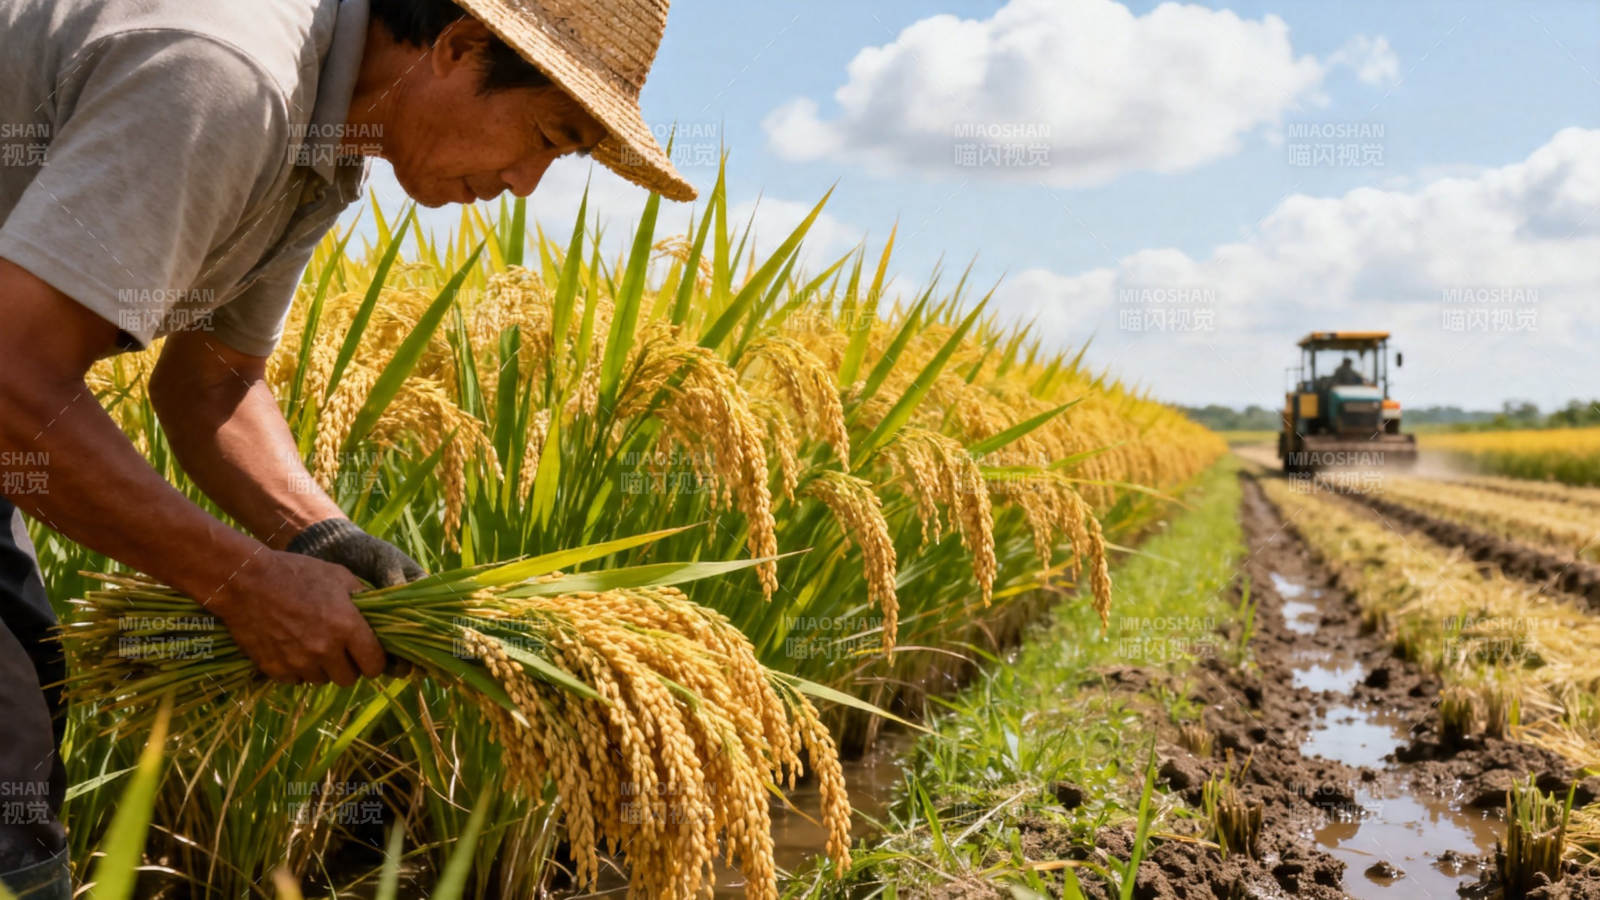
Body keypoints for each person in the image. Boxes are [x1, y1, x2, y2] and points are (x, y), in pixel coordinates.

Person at [0, 0, 696, 893]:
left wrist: (323, 538)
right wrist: (244, 587)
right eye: (547, 137)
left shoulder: (325, 149)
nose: (527, 183)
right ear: (458, 45)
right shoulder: (227, 77)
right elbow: (14, 382)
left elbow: (212, 380)